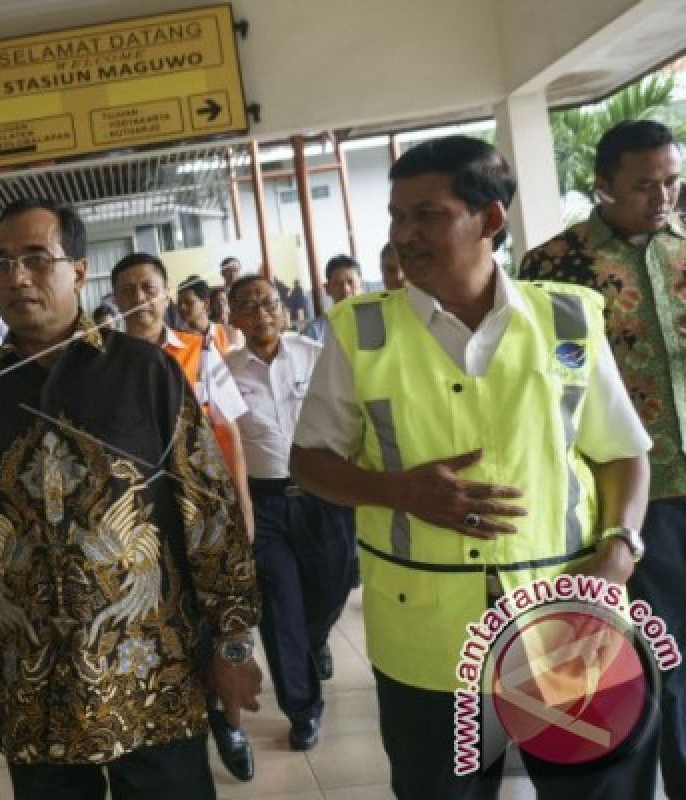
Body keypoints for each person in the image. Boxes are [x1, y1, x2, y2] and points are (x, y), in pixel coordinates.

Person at [291, 134, 659, 799]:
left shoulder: (568, 321)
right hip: (428, 639)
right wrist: (396, 490)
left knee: (602, 790)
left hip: (570, 616)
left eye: (426, 215)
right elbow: (309, 462)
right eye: (396, 217)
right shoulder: (361, 332)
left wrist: (619, 553)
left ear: (490, 219)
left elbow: (623, 451)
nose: (405, 234)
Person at [0, 198, 261, 800]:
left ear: (78, 270)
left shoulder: (146, 374)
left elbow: (211, 519)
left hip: (155, 680)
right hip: (35, 696)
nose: (17, 277)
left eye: (36, 259)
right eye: (0, 264)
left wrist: (234, 643)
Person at [519, 118, 685, 798]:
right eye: (645, 185)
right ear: (603, 185)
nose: (663, 197)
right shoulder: (556, 266)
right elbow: (555, 383)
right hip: (632, 498)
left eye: (672, 181)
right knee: (651, 660)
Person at [111, 251, 257, 782]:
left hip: (207, 517)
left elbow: (231, 435)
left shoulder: (198, 352)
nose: (138, 298)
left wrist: (241, 505)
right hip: (146, 524)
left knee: (222, 622)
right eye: (126, 290)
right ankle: (189, 721)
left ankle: (231, 726)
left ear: (166, 292)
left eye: (146, 286)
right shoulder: (106, 365)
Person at [225, 275, 354, 751]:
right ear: (233, 318)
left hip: (322, 497)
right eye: (248, 305)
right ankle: (302, 709)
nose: (260, 313)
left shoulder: (314, 355)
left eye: (268, 303)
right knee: (280, 609)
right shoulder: (226, 373)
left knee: (332, 586)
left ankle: (317, 636)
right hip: (267, 505)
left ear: (283, 310)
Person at [304, 255, 364, 342]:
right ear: (327, 289)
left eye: (350, 282)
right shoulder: (316, 332)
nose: (345, 289)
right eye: (338, 283)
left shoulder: (377, 323)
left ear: (361, 284)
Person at [177, 275, 241, 354]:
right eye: (179, 303)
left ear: (205, 304)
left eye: (188, 302)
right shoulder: (178, 340)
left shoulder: (228, 332)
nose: (181, 307)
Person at [208, 286, 246, 352]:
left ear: (229, 303)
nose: (220, 304)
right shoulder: (210, 327)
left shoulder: (239, 322)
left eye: (223, 300)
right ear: (212, 306)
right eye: (216, 302)